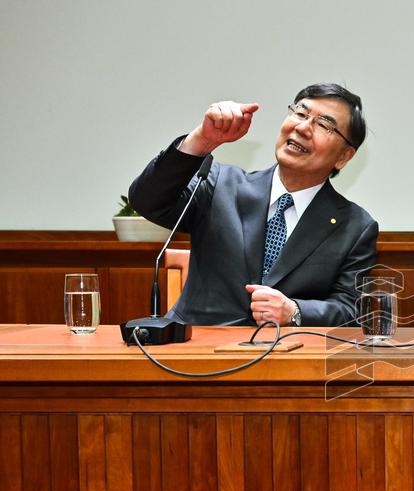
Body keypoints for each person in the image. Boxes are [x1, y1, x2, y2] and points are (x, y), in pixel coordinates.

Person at [129, 83, 378, 327]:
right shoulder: (219, 184)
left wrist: (295, 311)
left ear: (344, 156)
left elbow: (350, 308)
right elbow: (147, 201)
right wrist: (201, 140)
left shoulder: (355, 227)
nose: (302, 127)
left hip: (285, 351)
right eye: (300, 113)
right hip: (197, 345)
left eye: (323, 125)